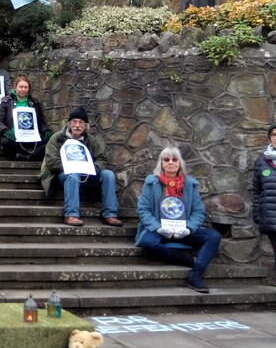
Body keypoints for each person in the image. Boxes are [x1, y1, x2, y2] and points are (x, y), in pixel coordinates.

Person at [135, 146, 223, 293]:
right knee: (147, 242)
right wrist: (157, 228)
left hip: (183, 229)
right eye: (166, 160)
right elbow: (143, 210)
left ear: (179, 163)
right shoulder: (151, 183)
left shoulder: (190, 184)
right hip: (159, 228)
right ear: (161, 163)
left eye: (174, 159)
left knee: (214, 236)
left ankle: (196, 274)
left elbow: (198, 211)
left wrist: (188, 228)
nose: (170, 162)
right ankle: (188, 261)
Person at [39, 106, 123, 227]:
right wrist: (72, 166)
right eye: (74, 122)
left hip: (87, 175)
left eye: (81, 122)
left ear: (85, 126)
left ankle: (110, 214)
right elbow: (51, 162)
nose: (77, 125)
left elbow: (102, 159)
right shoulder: (57, 138)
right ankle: (71, 214)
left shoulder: (91, 140)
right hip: (63, 175)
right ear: (69, 124)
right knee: (73, 174)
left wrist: (94, 167)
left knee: (108, 174)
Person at [0, 74, 52, 161]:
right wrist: (5, 130)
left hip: (31, 136)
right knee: (5, 142)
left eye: (26, 87)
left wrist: (46, 130)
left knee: (51, 141)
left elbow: (40, 121)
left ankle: (28, 157)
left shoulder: (34, 103)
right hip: (14, 136)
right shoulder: (6, 102)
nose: (23, 89)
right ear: (15, 87)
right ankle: (29, 154)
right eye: (21, 87)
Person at [253, 124, 276, 285]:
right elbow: (256, 190)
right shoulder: (262, 162)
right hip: (270, 215)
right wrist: (257, 214)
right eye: (273, 134)